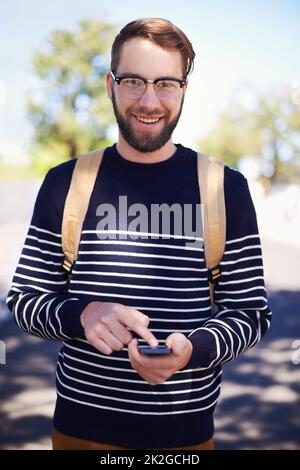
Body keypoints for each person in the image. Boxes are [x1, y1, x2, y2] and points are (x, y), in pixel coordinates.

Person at [7, 18, 272, 450]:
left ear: (184, 89)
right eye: (134, 81)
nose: (149, 100)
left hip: (184, 438)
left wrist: (194, 348)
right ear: (110, 85)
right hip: (79, 432)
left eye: (166, 83)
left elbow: (249, 313)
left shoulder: (225, 187)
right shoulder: (65, 182)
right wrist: (83, 315)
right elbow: (25, 302)